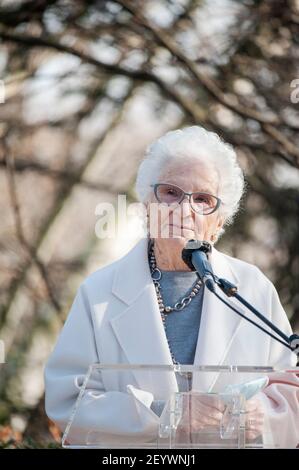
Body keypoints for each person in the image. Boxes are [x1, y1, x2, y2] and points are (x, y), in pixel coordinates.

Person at [44, 126, 298, 448]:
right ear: (148, 205)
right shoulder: (98, 294)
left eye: (203, 199)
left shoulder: (253, 290)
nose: (185, 209)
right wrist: (164, 414)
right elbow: (68, 403)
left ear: (219, 223)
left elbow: (290, 389)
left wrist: (258, 414)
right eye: (171, 193)